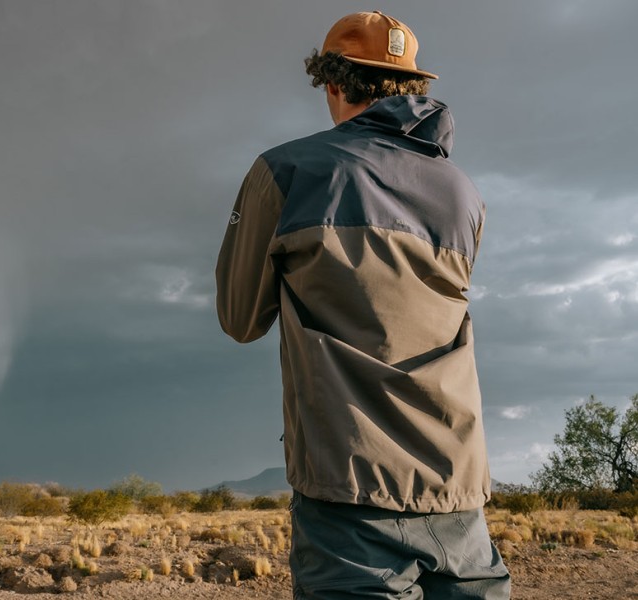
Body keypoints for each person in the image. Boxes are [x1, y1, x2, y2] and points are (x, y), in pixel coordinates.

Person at [215, 10, 511, 600]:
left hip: (348, 497)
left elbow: (240, 318)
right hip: (459, 498)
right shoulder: (463, 193)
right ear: (412, 86)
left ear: (332, 82)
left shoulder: (287, 171)